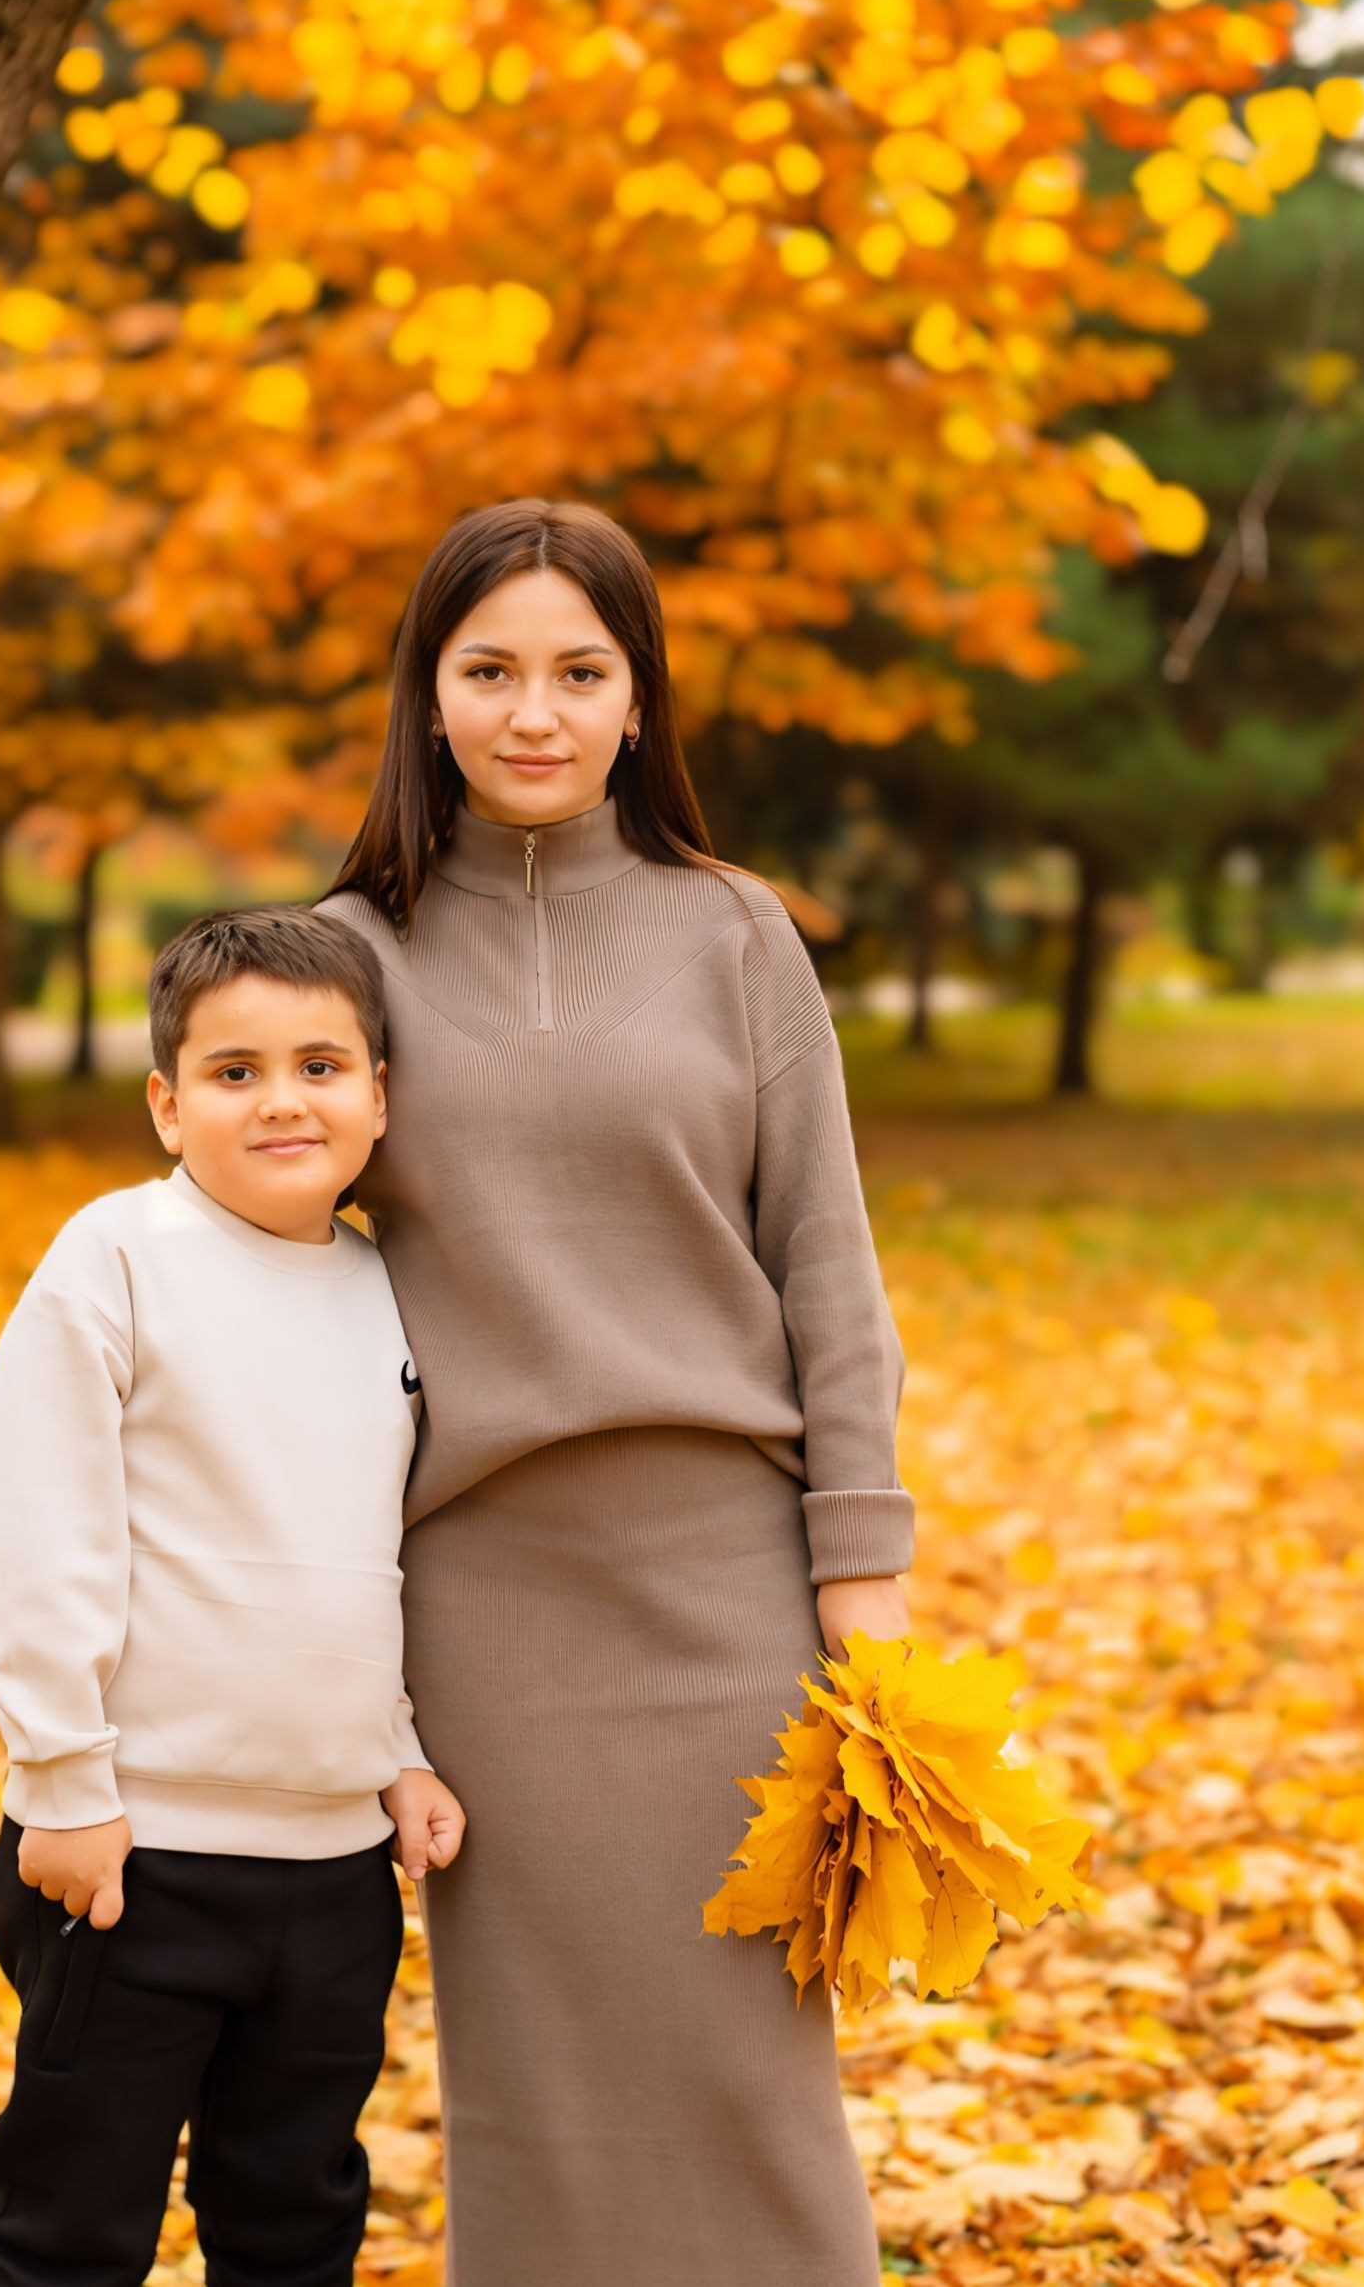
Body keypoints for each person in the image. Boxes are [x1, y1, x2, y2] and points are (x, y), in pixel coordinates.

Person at [319, 496, 916, 2287]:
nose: (533, 713)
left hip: (723, 1582)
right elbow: (268, 1277)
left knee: (748, 2057)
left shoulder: (736, 934)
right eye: (488, 669)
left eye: (581, 672)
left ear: (638, 700)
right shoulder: (340, 955)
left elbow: (826, 1253)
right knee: (530, 2073)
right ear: (428, 696)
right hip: (482, 1599)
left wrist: (858, 1558)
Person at [0, 905, 466, 2287]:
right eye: (233, 1072)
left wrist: (401, 1753)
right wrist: (63, 1781)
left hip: (331, 1874)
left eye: (321, 1065)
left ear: (379, 1095)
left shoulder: (386, 1292)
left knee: (293, 2214)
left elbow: (372, 1558)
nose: (281, 1100)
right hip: (134, 1860)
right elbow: (39, 1526)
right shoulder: (118, 1260)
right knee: (71, 2221)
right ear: (166, 1105)